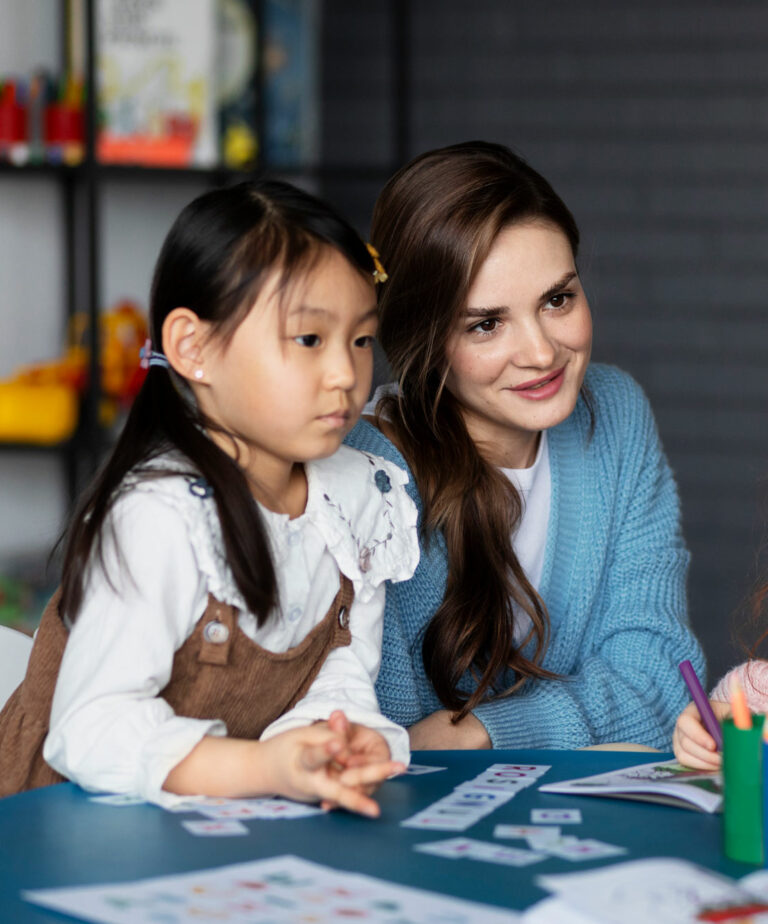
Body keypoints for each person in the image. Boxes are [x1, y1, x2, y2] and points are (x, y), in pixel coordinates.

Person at [0, 179, 419, 816]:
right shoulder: (160, 515)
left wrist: (331, 740)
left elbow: (339, 667)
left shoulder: (359, 496)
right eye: (309, 339)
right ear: (194, 347)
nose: (346, 374)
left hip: (216, 823)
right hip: (60, 819)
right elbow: (93, 729)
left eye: (361, 340)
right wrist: (261, 766)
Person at [345, 140, 705, 751]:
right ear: (424, 342)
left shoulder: (613, 416)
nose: (542, 354)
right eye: (486, 323)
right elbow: (384, 735)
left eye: (557, 299)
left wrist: (490, 730)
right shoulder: (363, 471)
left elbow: (660, 678)